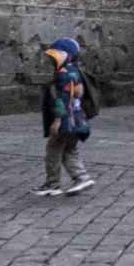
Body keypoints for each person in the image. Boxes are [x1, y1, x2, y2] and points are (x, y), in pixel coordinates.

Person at [34, 38, 94, 197]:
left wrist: (57, 120)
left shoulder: (63, 74)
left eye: (54, 56)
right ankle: (82, 177)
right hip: (78, 119)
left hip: (67, 120)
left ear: (64, 55)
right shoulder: (75, 71)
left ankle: (53, 184)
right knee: (69, 149)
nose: (51, 60)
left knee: (53, 149)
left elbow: (63, 99)